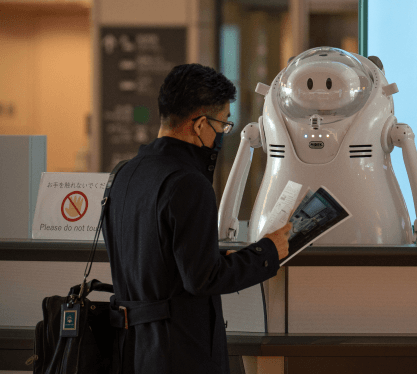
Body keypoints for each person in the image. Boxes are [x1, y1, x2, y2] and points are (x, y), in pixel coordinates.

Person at [103, 64, 291, 374]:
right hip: (179, 353)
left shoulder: (123, 174)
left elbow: (151, 256)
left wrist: (213, 255)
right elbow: (203, 279)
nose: (222, 133)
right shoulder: (188, 183)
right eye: (223, 124)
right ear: (200, 124)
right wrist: (268, 251)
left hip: (131, 350)